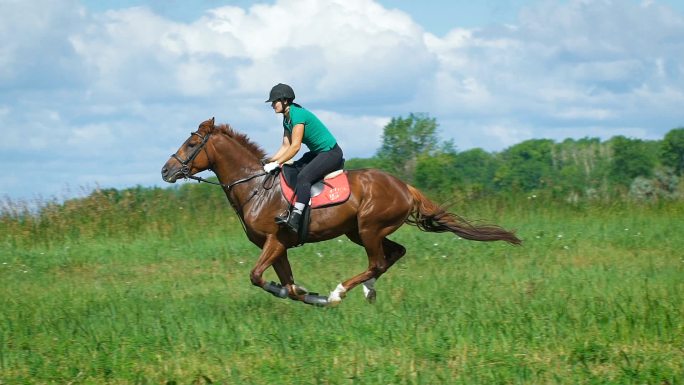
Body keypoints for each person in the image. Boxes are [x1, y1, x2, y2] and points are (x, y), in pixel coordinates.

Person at [262, 83, 344, 233]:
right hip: (318, 153)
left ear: (285, 100)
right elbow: (285, 146)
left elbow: (295, 147)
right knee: (290, 169)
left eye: (275, 101)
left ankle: (296, 218)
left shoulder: (297, 115)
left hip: (331, 154)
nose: (272, 105)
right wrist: (270, 161)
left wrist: (277, 163)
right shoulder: (286, 119)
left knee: (304, 177)